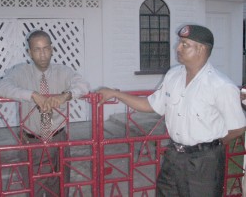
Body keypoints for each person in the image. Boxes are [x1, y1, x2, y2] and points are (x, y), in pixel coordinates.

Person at [98, 24, 246, 197]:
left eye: (185, 44)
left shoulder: (221, 85)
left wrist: (212, 146)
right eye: (179, 43)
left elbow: (237, 128)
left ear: (201, 49)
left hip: (204, 162)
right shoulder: (173, 75)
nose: (178, 48)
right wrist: (116, 94)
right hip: (174, 157)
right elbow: (150, 105)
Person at [0, 30, 90, 196]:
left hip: (58, 141)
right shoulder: (20, 71)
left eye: (46, 48)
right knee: (34, 190)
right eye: (37, 50)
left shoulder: (63, 71)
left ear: (52, 49)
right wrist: (32, 95)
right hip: (31, 143)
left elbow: (83, 85)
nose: (43, 54)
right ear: (29, 52)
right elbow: (0, 89)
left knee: (60, 189)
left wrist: (65, 96)